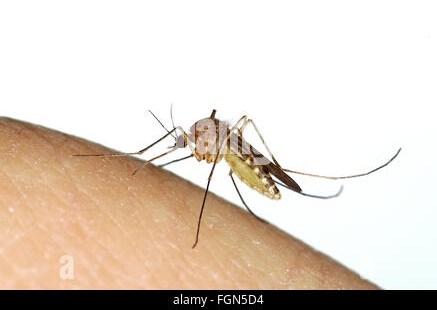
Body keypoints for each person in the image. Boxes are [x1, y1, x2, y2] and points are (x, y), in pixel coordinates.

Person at [0, 117, 378, 289]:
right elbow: (193, 143)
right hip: (229, 150)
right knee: (229, 139)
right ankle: (278, 172)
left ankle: (287, 170)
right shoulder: (196, 135)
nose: (185, 142)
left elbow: (215, 155)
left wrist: (262, 165)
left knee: (240, 131)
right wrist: (139, 155)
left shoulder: (210, 137)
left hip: (240, 156)